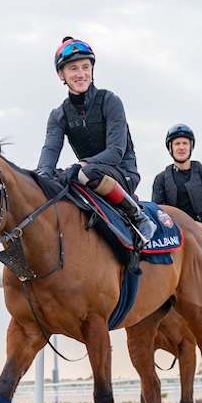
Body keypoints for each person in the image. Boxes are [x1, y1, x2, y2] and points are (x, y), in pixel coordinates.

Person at [35, 36, 157, 247]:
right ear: (60, 74)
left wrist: (81, 165)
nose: (81, 74)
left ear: (92, 69)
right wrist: (40, 180)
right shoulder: (58, 115)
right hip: (86, 173)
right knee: (53, 179)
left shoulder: (110, 101)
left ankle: (137, 215)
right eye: (73, 69)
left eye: (85, 67)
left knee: (86, 173)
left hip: (120, 172)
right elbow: (48, 155)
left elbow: (115, 152)